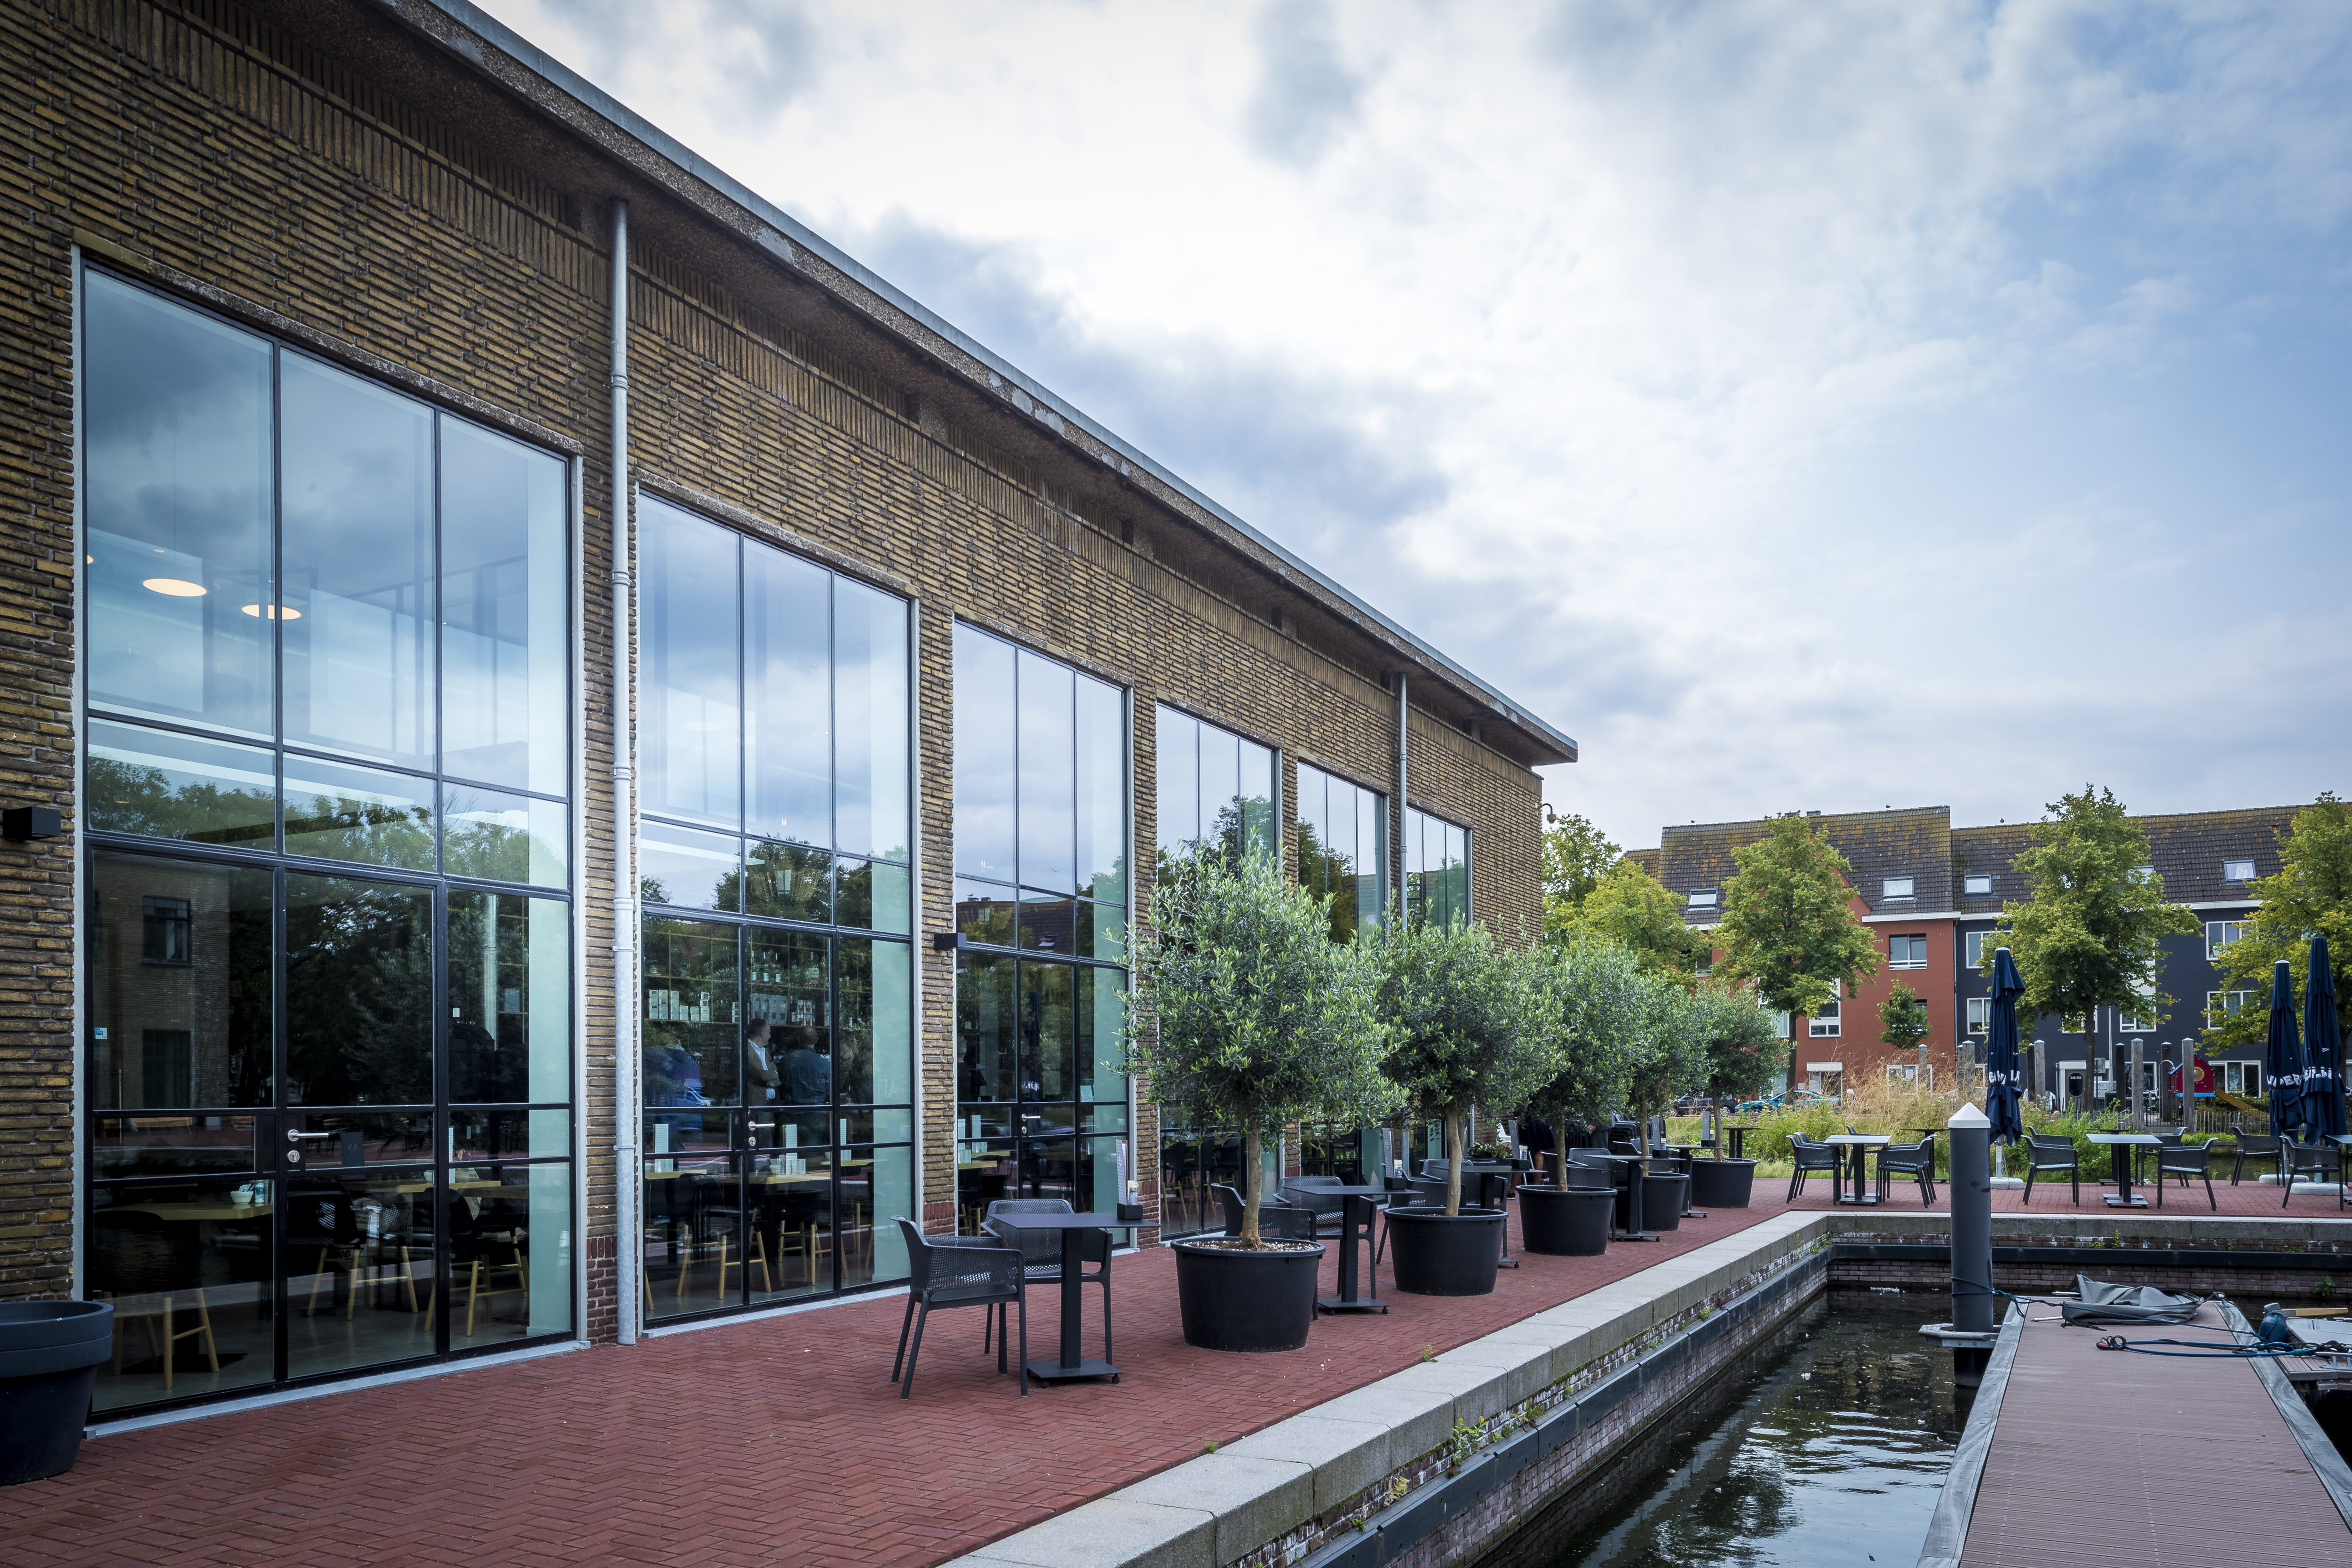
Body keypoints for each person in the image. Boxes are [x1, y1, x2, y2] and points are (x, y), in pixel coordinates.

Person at [780, 1026, 831, 1106]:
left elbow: (780, 1086)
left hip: (791, 1109)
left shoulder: (786, 1060)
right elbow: (829, 1089)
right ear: (816, 1040)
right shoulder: (824, 1063)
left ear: (798, 1039)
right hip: (817, 1110)